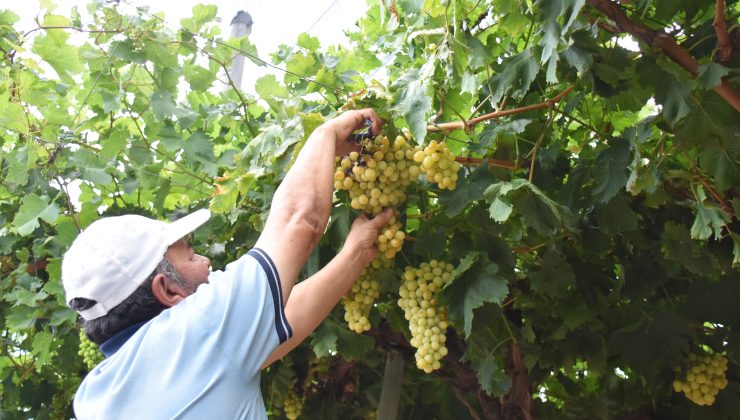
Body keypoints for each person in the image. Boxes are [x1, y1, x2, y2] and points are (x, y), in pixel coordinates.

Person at [62, 109, 392, 419]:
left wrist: (357, 253)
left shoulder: (93, 398)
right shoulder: (198, 331)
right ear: (167, 289)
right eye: (190, 255)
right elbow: (300, 221)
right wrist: (327, 134)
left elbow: (274, 324)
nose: (205, 261)